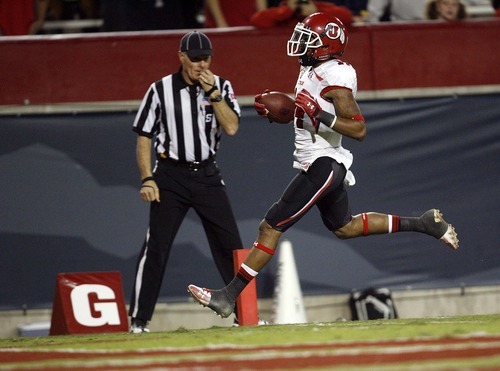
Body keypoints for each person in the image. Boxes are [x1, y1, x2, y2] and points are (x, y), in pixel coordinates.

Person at [187, 12, 459, 320]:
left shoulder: (335, 75)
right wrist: (288, 114)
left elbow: (358, 129)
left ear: (325, 45)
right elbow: (309, 112)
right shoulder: (312, 68)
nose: (300, 44)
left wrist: (320, 115)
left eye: (308, 39)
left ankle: (228, 296)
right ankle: (424, 223)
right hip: (318, 161)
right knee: (345, 227)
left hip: (325, 162)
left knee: (270, 226)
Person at [129, 30, 244, 333]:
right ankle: (139, 321)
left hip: (207, 173)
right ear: (181, 57)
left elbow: (231, 127)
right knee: (156, 247)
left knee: (231, 247)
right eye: (195, 59)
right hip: (170, 175)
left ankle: (244, 315)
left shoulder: (222, 86)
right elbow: (143, 135)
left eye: (205, 59)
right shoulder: (159, 90)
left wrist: (214, 94)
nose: (201, 65)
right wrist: (147, 178)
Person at [251, 0, 353, 29]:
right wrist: (288, 10)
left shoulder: (319, 7)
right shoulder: (283, 11)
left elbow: (347, 17)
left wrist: (316, 13)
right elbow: (257, 20)